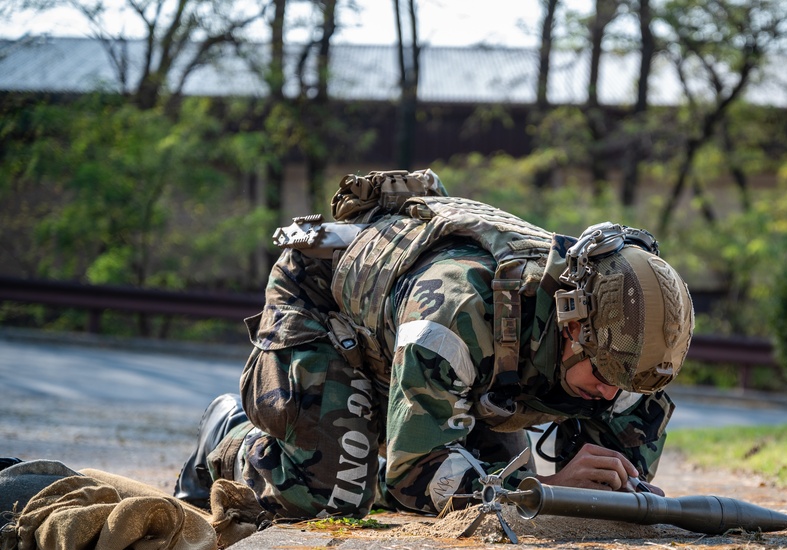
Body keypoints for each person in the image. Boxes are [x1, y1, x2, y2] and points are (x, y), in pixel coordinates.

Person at [174, 169, 694, 520]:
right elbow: (417, 472)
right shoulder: (458, 311)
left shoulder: (626, 353)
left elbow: (616, 484)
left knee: (486, 495)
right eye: (603, 378)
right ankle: (229, 436)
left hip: (473, 363)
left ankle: (365, 448)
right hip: (327, 307)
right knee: (333, 493)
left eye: (623, 386)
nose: (611, 395)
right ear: (572, 327)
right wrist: (544, 488)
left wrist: (590, 489)